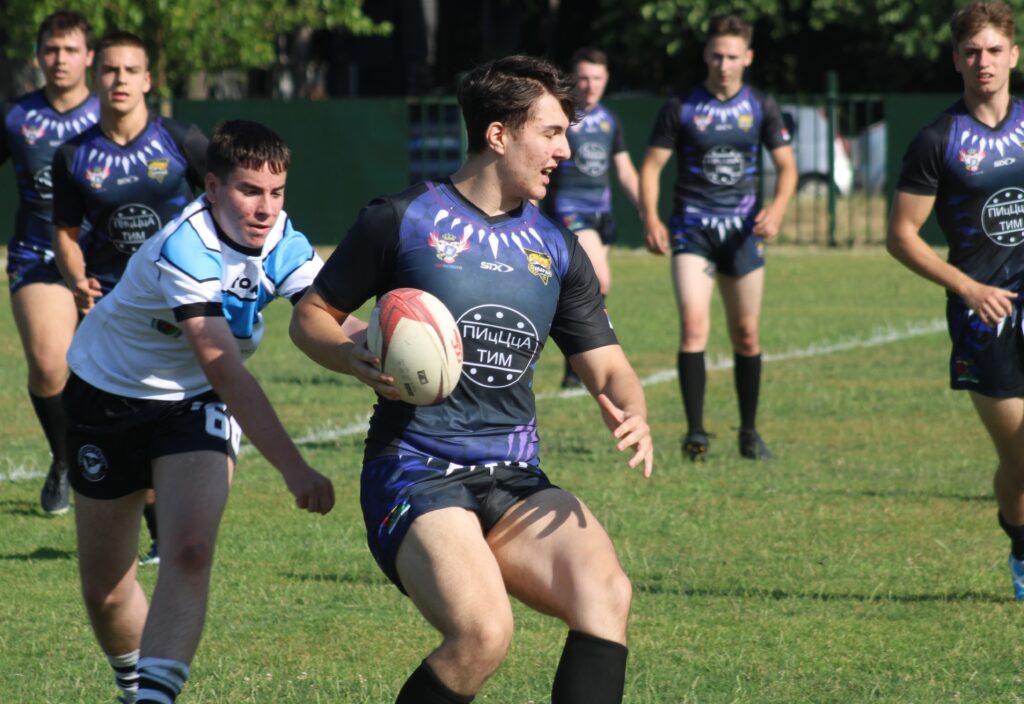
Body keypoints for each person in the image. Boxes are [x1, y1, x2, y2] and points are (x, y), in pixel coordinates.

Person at [291, 55, 654, 704]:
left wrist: (634, 412)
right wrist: (348, 356)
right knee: (483, 634)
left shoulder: (556, 249)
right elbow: (311, 316)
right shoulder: (402, 219)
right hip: (416, 469)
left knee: (606, 595)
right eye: (551, 133)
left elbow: (608, 367)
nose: (566, 151)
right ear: (498, 135)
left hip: (513, 476)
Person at [64, 120, 336, 703]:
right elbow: (224, 366)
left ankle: (153, 698)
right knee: (107, 590)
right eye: (249, 191)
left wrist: (383, 352)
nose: (265, 208)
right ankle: (132, 683)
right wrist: (295, 469)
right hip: (107, 396)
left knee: (189, 551)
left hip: (195, 403)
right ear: (212, 187)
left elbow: (325, 317)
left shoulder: (281, 238)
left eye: (276, 192)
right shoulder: (185, 245)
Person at [52, 30, 208, 562]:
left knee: (166, 411)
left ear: (147, 80)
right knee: (117, 418)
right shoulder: (73, 155)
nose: (119, 79)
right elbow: (65, 234)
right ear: (97, 77)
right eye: (110, 70)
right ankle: (152, 528)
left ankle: (168, 533)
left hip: (176, 304)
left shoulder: (181, 141)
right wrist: (77, 279)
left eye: (130, 70)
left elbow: (225, 199)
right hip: (109, 309)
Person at [887, 1, 1024, 600]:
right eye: (972, 52)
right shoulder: (938, 140)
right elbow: (901, 236)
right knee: (1020, 462)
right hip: (983, 318)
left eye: (993, 50)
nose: (983, 61)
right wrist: (968, 287)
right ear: (956, 60)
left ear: (1014, 55)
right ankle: (1020, 545)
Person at [639, 15, 796, 462]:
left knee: (746, 334)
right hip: (693, 230)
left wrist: (778, 209)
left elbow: (787, 167)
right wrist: (651, 218)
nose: (723, 65)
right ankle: (695, 434)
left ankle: (749, 432)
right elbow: (651, 166)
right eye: (716, 56)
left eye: (732, 57)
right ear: (705, 56)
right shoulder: (682, 106)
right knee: (694, 327)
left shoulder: (761, 106)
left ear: (748, 57)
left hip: (743, 232)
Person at [0, 10, 97, 515]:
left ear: (89, 57)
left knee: (111, 375)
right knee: (47, 365)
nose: (60, 59)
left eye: (70, 49)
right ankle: (63, 460)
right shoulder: (15, 117)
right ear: (38, 56)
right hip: (37, 254)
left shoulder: (112, 112)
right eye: (51, 49)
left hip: (108, 259)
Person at [545, 47, 640, 388]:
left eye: (597, 78)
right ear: (573, 79)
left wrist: (647, 210)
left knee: (580, 291)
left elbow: (624, 169)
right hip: (570, 212)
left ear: (606, 79)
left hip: (603, 217)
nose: (590, 85)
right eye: (583, 78)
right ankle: (591, 358)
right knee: (599, 280)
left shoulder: (609, 121)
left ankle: (575, 366)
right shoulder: (563, 118)